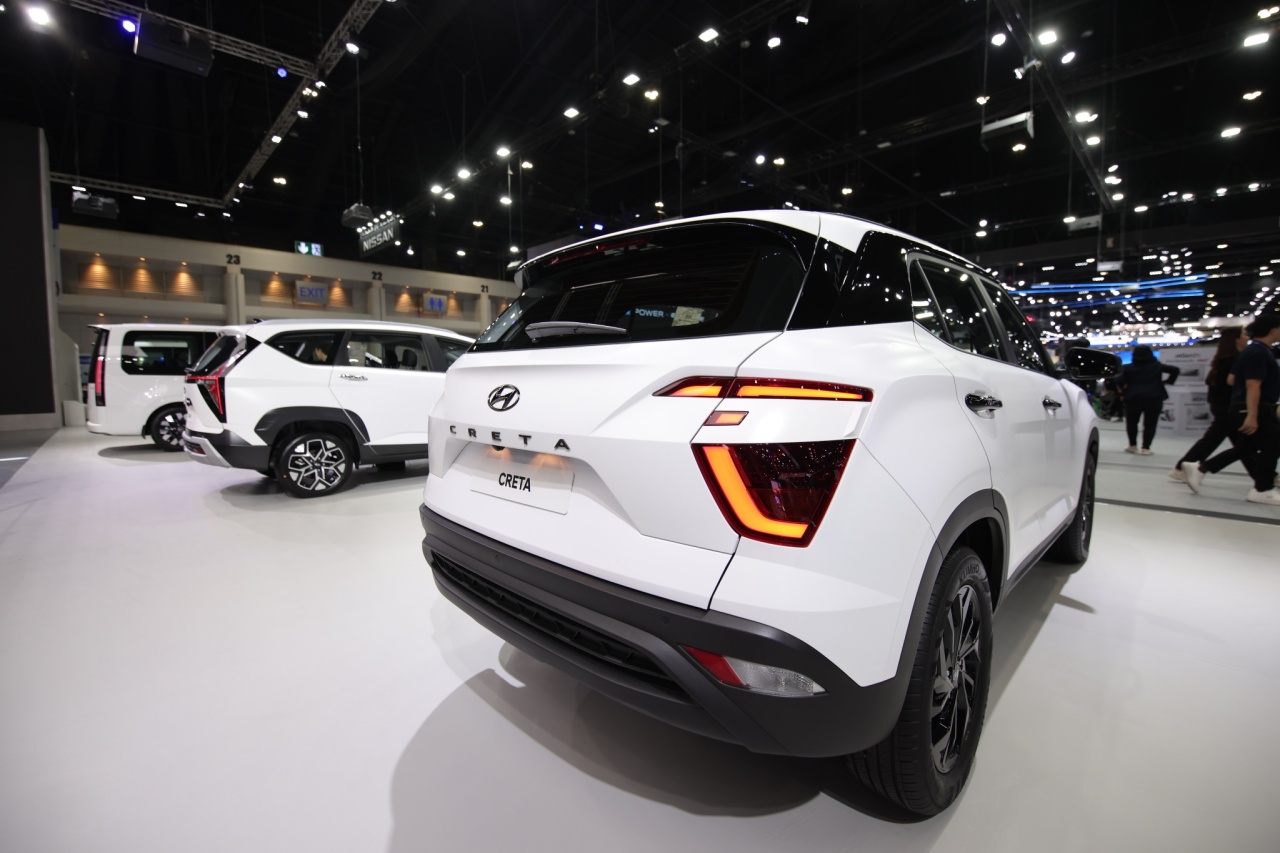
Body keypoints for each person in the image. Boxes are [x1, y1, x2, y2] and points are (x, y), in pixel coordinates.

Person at [1208, 314, 1280, 506]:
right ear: (1273, 330)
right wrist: (1252, 414)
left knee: (1247, 447)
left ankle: (1201, 468)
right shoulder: (1258, 353)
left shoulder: (1252, 352)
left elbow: (1233, 379)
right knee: (1271, 445)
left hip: (1247, 405)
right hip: (1255, 406)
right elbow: (1252, 384)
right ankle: (1263, 488)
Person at [1172, 328, 1244, 483]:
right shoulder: (1234, 360)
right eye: (1244, 334)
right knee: (1216, 441)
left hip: (1221, 404)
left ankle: (1265, 476)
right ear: (1236, 339)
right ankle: (1182, 468)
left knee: (1242, 445)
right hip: (1228, 406)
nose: (1247, 337)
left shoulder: (1222, 360)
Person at [1118, 345, 1180, 455]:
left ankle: (1132, 445)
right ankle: (1146, 448)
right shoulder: (1157, 366)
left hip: (1133, 398)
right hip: (1154, 397)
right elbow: (1175, 370)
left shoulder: (1127, 368)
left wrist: (1123, 390)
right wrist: (1168, 382)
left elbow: (1118, 380)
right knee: (1150, 424)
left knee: (1132, 422)